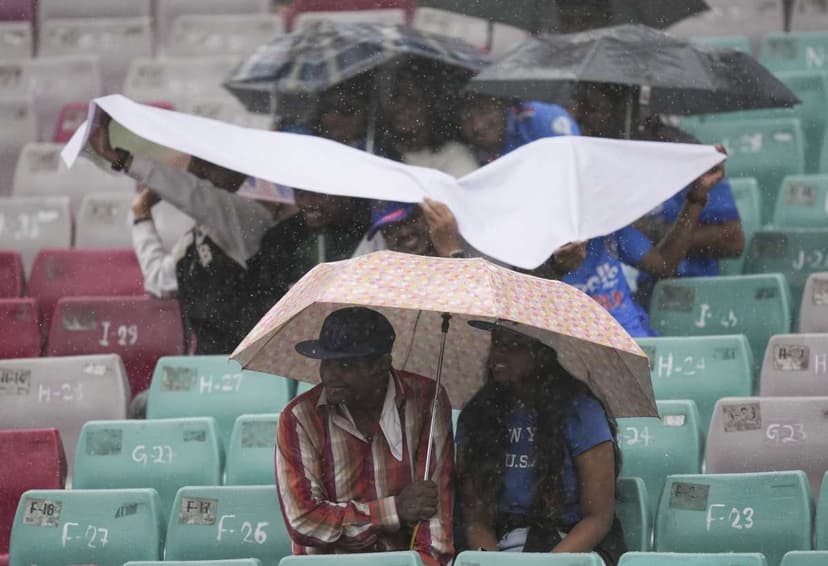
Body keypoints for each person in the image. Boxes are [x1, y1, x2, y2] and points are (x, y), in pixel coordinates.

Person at [89, 112, 281, 354]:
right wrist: (141, 214)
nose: (198, 171)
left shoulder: (250, 217)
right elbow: (159, 280)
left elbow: (194, 194)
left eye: (210, 164)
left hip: (248, 359)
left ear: (238, 170)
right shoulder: (196, 236)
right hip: (204, 362)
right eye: (196, 162)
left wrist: (122, 159)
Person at [276, 307, 454, 565]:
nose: (329, 375)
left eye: (345, 365)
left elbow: (436, 528)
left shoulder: (428, 400)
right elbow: (304, 521)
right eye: (326, 362)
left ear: (382, 365)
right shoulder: (299, 417)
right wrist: (394, 510)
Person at [455, 321, 625, 563]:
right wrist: (495, 562)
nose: (498, 354)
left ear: (541, 352)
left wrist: (545, 564)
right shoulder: (477, 416)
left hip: (572, 545)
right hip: (501, 544)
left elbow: (597, 518)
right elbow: (476, 520)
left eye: (513, 344)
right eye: (496, 343)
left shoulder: (581, 411)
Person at [531, 147, 728, 337]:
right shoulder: (531, 246)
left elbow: (664, 265)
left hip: (636, 342)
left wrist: (696, 197)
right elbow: (529, 314)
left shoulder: (607, 228)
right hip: (582, 351)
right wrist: (556, 269)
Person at [633, 120, 745, 308]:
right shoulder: (611, 160)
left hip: (695, 291)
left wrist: (657, 232)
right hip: (643, 293)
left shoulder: (686, 153)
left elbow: (733, 240)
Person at [380, 61, 479, 178]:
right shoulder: (378, 154)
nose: (400, 106)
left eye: (411, 99)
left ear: (430, 106)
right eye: (396, 97)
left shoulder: (454, 156)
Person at [459, 94, 580, 165]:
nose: (477, 126)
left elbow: (573, 164)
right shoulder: (464, 154)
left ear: (501, 104)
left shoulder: (540, 117)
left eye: (484, 111)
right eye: (466, 117)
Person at [352, 199, 468, 259]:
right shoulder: (386, 275)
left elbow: (468, 294)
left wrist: (451, 251)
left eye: (411, 219)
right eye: (391, 229)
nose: (404, 232)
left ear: (428, 216)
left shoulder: (466, 235)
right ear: (383, 237)